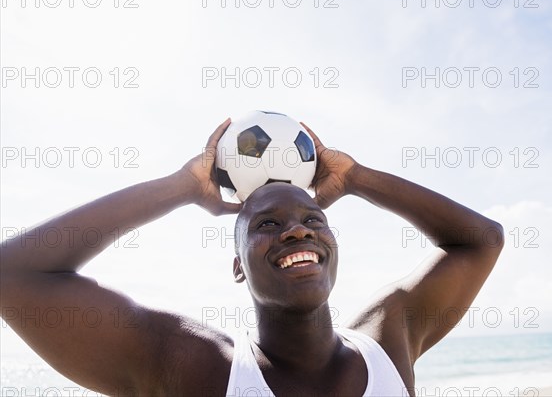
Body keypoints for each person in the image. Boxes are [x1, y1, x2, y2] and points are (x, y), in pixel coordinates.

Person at [0, 119, 504, 396]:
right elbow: (13, 272)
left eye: (313, 220)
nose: (296, 231)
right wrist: (181, 188)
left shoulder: (387, 341)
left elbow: (482, 239)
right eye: (266, 224)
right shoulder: (194, 365)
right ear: (238, 265)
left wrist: (357, 179)